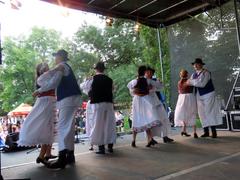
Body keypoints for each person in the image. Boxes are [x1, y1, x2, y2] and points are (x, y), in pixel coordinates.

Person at [33, 49, 82, 169]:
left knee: (62, 128)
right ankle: (70, 155)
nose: (55, 59)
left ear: (60, 56)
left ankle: (62, 158)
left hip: (67, 98)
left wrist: (38, 90)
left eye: (56, 56)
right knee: (68, 128)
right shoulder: (66, 66)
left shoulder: (60, 66)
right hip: (73, 98)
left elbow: (53, 83)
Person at [18, 63, 58, 165]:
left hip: (49, 102)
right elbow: (49, 86)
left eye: (46, 67)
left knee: (50, 127)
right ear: (39, 71)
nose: (45, 69)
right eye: (43, 68)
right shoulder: (42, 79)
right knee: (47, 128)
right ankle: (41, 156)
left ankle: (48, 153)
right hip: (46, 103)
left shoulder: (49, 76)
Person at [81, 62, 116, 154]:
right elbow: (113, 89)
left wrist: (87, 81)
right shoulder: (109, 79)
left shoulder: (92, 79)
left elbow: (83, 87)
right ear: (104, 69)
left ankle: (101, 147)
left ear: (95, 69)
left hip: (98, 103)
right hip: (108, 103)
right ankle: (110, 146)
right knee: (109, 124)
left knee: (98, 124)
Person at [127, 65, 164, 148]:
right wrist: (157, 83)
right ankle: (149, 139)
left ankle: (134, 140)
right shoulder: (148, 81)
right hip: (146, 100)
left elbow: (131, 91)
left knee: (136, 119)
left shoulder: (133, 81)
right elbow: (159, 86)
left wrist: (136, 92)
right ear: (144, 72)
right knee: (147, 119)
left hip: (137, 100)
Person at [187, 58, 222, 138]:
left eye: (197, 64)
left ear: (201, 65)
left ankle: (214, 132)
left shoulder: (206, 73)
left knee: (209, 111)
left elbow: (202, 84)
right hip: (199, 95)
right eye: (194, 64)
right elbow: (191, 83)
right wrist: (193, 82)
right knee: (201, 113)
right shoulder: (194, 74)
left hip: (208, 94)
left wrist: (192, 82)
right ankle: (206, 131)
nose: (195, 65)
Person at [145, 67, 174, 143]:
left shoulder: (154, 80)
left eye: (151, 72)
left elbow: (160, 87)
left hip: (157, 101)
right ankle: (151, 138)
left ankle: (165, 136)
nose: (149, 74)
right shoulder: (142, 81)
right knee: (151, 121)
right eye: (147, 72)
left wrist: (157, 84)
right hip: (147, 103)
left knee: (163, 118)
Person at [174, 69, 198, 138]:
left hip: (182, 98)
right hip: (189, 97)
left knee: (183, 113)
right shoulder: (189, 81)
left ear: (180, 75)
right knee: (192, 113)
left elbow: (179, 91)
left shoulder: (179, 82)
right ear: (187, 74)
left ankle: (184, 130)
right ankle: (194, 132)